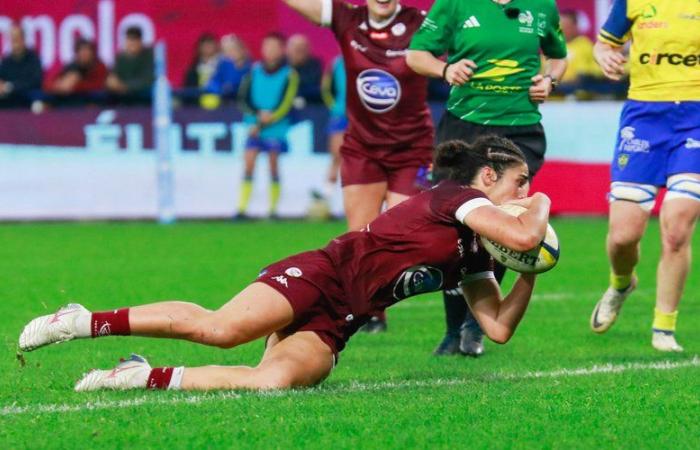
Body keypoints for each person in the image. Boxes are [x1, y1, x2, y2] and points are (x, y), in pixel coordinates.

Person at [18, 136, 552, 392]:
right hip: (323, 272)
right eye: (519, 180)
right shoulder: (457, 196)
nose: (526, 191)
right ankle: (83, 320)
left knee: (270, 383)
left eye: (530, 185)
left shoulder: (482, 251)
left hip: (345, 317)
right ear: (486, 177)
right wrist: (541, 210)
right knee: (222, 329)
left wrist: (529, 269)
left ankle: (136, 377)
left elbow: (498, 328)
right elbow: (527, 228)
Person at [406, 0, 567, 356]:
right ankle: (452, 331)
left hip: (519, 129)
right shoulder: (454, 4)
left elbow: (558, 55)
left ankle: (476, 326)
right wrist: (446, 69)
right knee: (456, 228)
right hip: (465, 128)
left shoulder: (542, 7)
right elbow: (416, 55)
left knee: (505, 223)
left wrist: (550, 79)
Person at [283, 0, 436, 332]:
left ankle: (383, 299)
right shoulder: (346, 18)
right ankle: (371, 313)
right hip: (363, 149)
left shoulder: (422, 23)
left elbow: (470, 39)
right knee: (360, 237)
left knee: (398, 235)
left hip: (412, 149)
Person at [589, 0, 700, 352]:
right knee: (623, 236)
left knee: (677, 227)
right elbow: (604, 42)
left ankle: (664, 328)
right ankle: (621, 283)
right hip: (645, 116)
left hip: (695, 116)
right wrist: (604, 55)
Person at [235, 33, 299, 219]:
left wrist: (267, 119)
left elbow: (286, 103)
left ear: (282, 49)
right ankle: (242, 208)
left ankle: (273, 209)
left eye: (274, 47)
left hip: (276, 127)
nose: (269, 50)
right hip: (254, 125)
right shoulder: (253, 71)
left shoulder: (289, 74)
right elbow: (243, 98)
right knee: (248, 163)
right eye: (266, 46)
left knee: (273, 164)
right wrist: (256, 117)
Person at [309, 55, 347, 219]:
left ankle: (353, 204)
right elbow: (327, 89)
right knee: (337, 156)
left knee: (362, 160)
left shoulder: (373, 56)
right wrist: (337, 107)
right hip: (341, 115)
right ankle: (327, 198)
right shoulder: (337, 63)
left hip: (366, 116)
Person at [556, 10, 602, 97]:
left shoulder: (584, 45)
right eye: (559, 26)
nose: (562, 29)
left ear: (575, 26)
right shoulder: (552, 47)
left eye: (566, 26)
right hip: (553, 98)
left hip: (578, 96)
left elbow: (584, 74)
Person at [106, 26, 154, 104]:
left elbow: (148, 80)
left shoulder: (149, 55)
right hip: (124, 101)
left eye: (134, 40)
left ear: (140, 41)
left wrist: (124, 86)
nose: (131, 43)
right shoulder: (120, 58)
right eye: (129, 39)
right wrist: (111, 82)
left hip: (145, 101)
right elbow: (112, 78)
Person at [0, 25, 43, 108]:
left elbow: (36, 81)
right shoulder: (6, 61)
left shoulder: (33, 59)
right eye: (12, 39)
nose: (14, 42)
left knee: (38, 101)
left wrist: (10, 87)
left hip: (27, 98)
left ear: (23, 39)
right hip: (9, 99)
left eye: (17, 38)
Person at [205, 34, 252, 101]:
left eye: (233, 49)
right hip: (224, 104)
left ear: (242, 49)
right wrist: (221, 89)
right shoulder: (223, 66)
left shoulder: (251, 68)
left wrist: (232, 88)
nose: (230, 53)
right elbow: (212, 83)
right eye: (226, 50)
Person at [182, 33, 220, 106]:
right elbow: (188, 92)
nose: (207, 48)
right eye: (205, 45)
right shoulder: (192, 70)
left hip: (222, 108)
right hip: (197, 109)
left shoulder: (223, 66)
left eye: (210, 45)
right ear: (199, 48)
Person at [286, 34, 323, 103]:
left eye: (302, 47)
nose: (299, 50)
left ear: (308, 49)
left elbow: (317, 89)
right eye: (296, 48)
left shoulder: (315, 66)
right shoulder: (281, 66)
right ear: (287, 50)